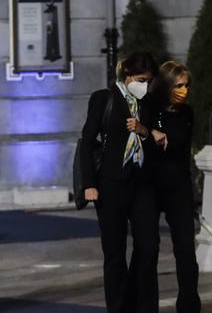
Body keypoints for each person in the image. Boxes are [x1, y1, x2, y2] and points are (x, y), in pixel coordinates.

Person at [78, 52, 160, 313]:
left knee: (149, 245)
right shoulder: (104, 98)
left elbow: (155, 139)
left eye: (148, 80)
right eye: (140, 79)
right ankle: (119, 307)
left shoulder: (147, 102)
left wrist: (144, 130)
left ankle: (144, 305)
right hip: (110, 183)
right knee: (115, 253)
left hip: (142, 182)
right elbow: (87, 142)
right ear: (127, 76)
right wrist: (88, 183)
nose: (144, 85)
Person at [146, 61, 200, 313]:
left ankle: (189, 306)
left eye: (187, 85)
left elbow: (180, 147)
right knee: (148, 247)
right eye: (178, 85)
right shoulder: (150, 110)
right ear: (166, 85)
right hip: (151, 185)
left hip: (178, 185)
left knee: (186, 250)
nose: (184, 90)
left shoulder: (186, 113)